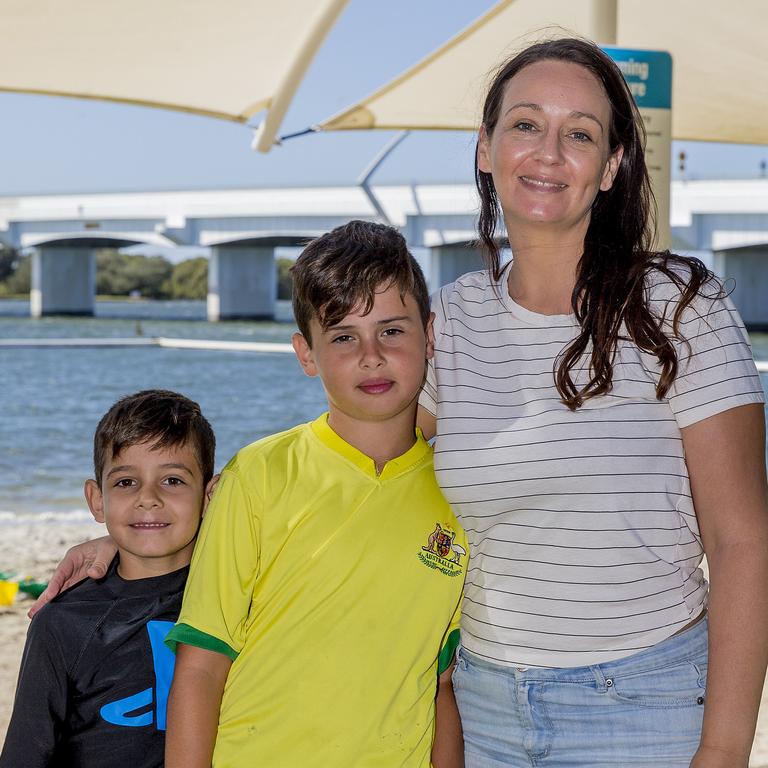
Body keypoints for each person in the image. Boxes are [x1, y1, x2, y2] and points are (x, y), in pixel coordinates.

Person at [416, 38, 768, 767]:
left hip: (646, 709)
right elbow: (352, 476)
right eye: (525, 125)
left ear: (610, 168)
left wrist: (726, 748)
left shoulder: (678, 305)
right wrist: (162, 533)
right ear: (485, 149)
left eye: (579, 133)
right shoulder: (449, 322)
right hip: (479, 710)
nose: (548, 152)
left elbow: (743, 542)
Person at [163, 221, 466, 767]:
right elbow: (203, 659)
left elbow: (441, 680)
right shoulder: (259, 474)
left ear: (431, 333)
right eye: (343, 336)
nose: (371, 355)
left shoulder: (459, 493)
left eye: (392, 330)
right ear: (306, 353)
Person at [1, 389, 216, 768]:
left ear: (209, 495)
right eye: (125, 483)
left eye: (173, 481)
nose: (148, 498)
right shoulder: (63, 623)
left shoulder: (235, 596)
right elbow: (26, 754)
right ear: (96, 499)